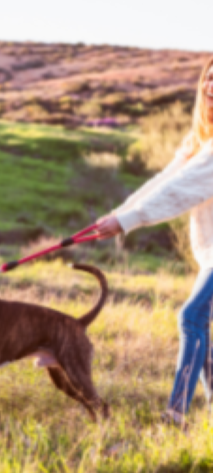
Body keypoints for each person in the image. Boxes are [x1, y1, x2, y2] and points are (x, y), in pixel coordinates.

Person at [96, 57, 213, 425]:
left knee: (191, 318)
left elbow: (180, 193)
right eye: (209, 77)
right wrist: (119, 213)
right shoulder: (200, 142)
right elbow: (164, 181)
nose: (212, 86)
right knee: (202, 324)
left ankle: (175, 414)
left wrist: (127, 221)